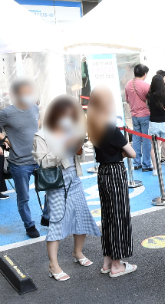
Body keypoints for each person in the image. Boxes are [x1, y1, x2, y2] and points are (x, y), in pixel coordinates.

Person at [33, 96, 100, 281]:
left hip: (74, 179)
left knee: (81, 216)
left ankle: (77, 252)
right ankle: (53, 265)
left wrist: (78, 145)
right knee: (57, 221)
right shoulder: (41, 135)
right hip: (56, 184)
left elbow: (79, 157)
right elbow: (42, 162)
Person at [87, 87, 138, 278]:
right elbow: (131, 153)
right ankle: (117, 264)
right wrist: (122, 152)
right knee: (119, 216)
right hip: (116, 172)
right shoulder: (111, 128)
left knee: (108, 216)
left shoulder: (93, 126)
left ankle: (107, 260)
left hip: (102, 173)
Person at [0, 79, 43, 238]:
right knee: (23, 198)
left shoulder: (35, 108)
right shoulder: (7, 113)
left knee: (52, 190)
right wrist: (3, 137)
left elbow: (37, 124)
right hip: (19, 164)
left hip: (38, 160)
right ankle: (29, 225)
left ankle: (47, 217)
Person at [124, 64, 152, 172]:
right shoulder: (146, 85)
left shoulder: (128, 84)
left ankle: (136, 163)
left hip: (134, 115)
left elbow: (127, 100)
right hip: (145, 114)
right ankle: (146, 164)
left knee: (136, 139)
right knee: (146, 139)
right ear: (145, 74)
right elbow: (150, 100)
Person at [146, 74, 165, 176]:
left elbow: (148, 108)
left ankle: (155, 169)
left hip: (153, 123)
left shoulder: (149, 96)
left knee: (154, 148)